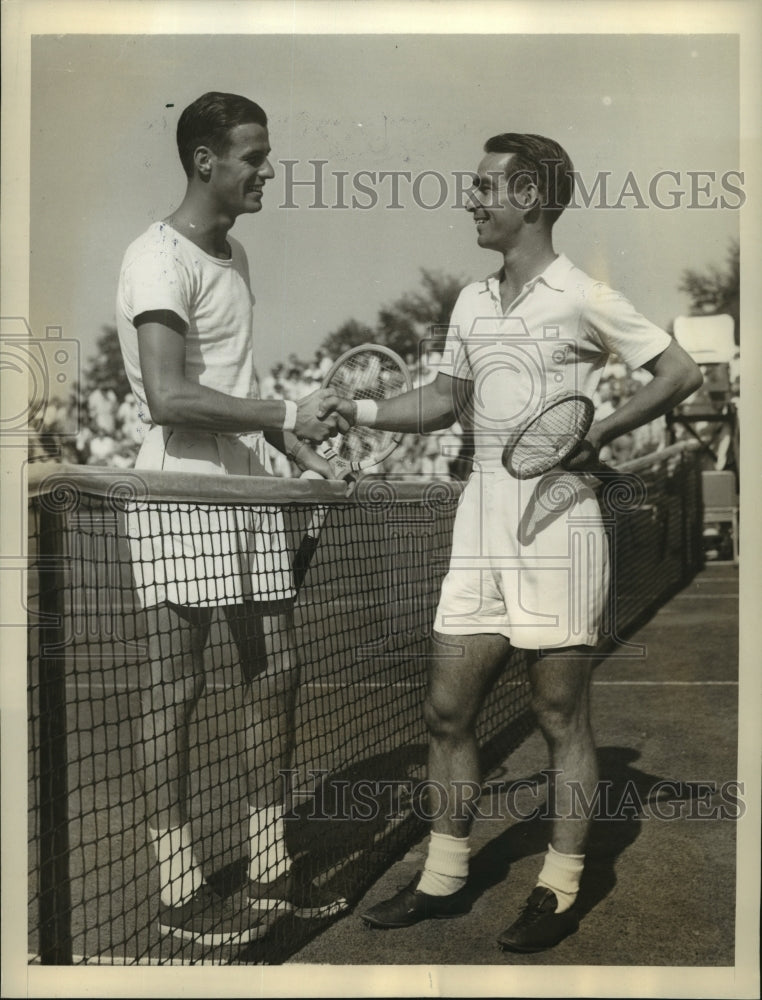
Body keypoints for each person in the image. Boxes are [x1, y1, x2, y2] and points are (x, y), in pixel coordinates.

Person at [331, 133, 702, 951]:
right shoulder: (469, 301)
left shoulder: (583, 294)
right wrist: (355, 410)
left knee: (559, 713)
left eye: (484, 186)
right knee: (446, 709)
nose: (469, 199)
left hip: (560, 527)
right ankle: (443, 878)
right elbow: (441, 401)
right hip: (481, 525)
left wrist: (598, 433)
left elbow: (679, 374)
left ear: (530, 196)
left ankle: (561, 886)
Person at [115, 92, 348, 948]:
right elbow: (172, 395)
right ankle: (177, 878)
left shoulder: (235, 254)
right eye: (253, 156)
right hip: (180, 484)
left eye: (267, 153)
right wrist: (287, 417)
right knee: (176, 686)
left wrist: (302, 456)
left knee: (275, 669)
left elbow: (235, 385)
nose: (266, 170)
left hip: (249, 485)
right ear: (206, 160)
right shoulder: (154, 259)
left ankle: (267, 862)